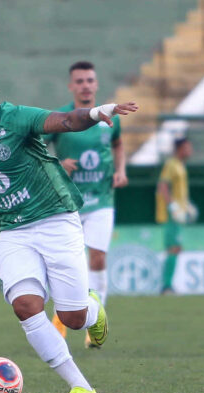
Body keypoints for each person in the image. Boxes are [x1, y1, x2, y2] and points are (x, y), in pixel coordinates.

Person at [0, 69, 138, 393]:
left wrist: (97, 113)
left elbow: (65, 120)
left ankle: (94, 310)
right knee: (25, 306)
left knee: (73, 317)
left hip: (57, 220)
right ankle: (80, 386)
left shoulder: (17, 118)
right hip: (13, 230)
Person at [46, 61, 128, 347]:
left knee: (98, 257)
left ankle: (96, 321)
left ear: (96, 84)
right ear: (71, 86)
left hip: (102, 198)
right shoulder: (63, 118)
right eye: (79, 81)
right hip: (68, 202)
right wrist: (57, 164)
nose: (85, 85)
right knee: (67, 262)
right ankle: (62, 319)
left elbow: (118, 144)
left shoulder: (110, 118)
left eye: (89, 80)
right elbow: (37, 146)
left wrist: (121, 170)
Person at [156, 137, 195, 294]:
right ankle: (166, 286)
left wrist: (186, 206)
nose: (190, 151)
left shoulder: (180, 165)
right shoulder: (171, 164)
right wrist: (172, 206)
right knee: (173, 248)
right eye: (187, 147)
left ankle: (168, 284)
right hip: (172, 215)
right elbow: (163, 185)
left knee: (176, 248)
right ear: (179, 149)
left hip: (179, 214)